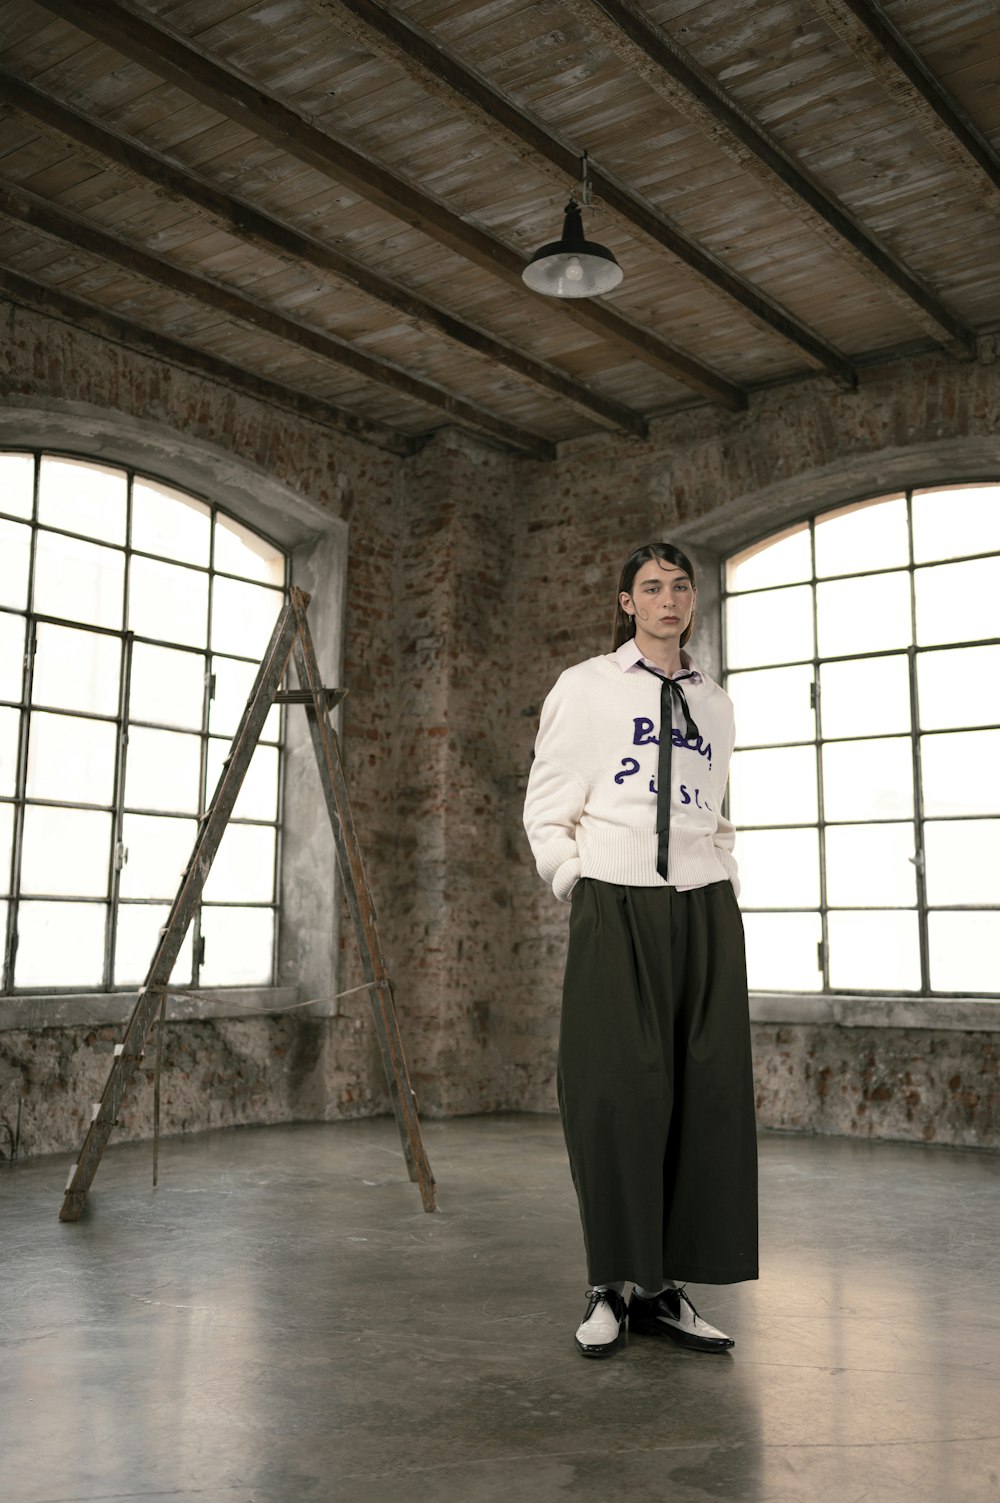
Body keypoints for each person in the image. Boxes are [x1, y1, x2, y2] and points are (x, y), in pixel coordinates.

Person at [522, 542, 757, 1358]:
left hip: (703, 908)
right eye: (651, 587)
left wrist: (721, 879)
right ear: (626, 602)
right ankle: (609, 1284)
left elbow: (716, 812)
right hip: (615, 905)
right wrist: (577, 880)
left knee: (703, 1093)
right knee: (614, 1093)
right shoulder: (584, 689)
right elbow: (546, 807)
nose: (668, 599)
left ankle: (663, 1288)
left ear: (693, 600)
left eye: (680, 586)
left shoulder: (717, 704)